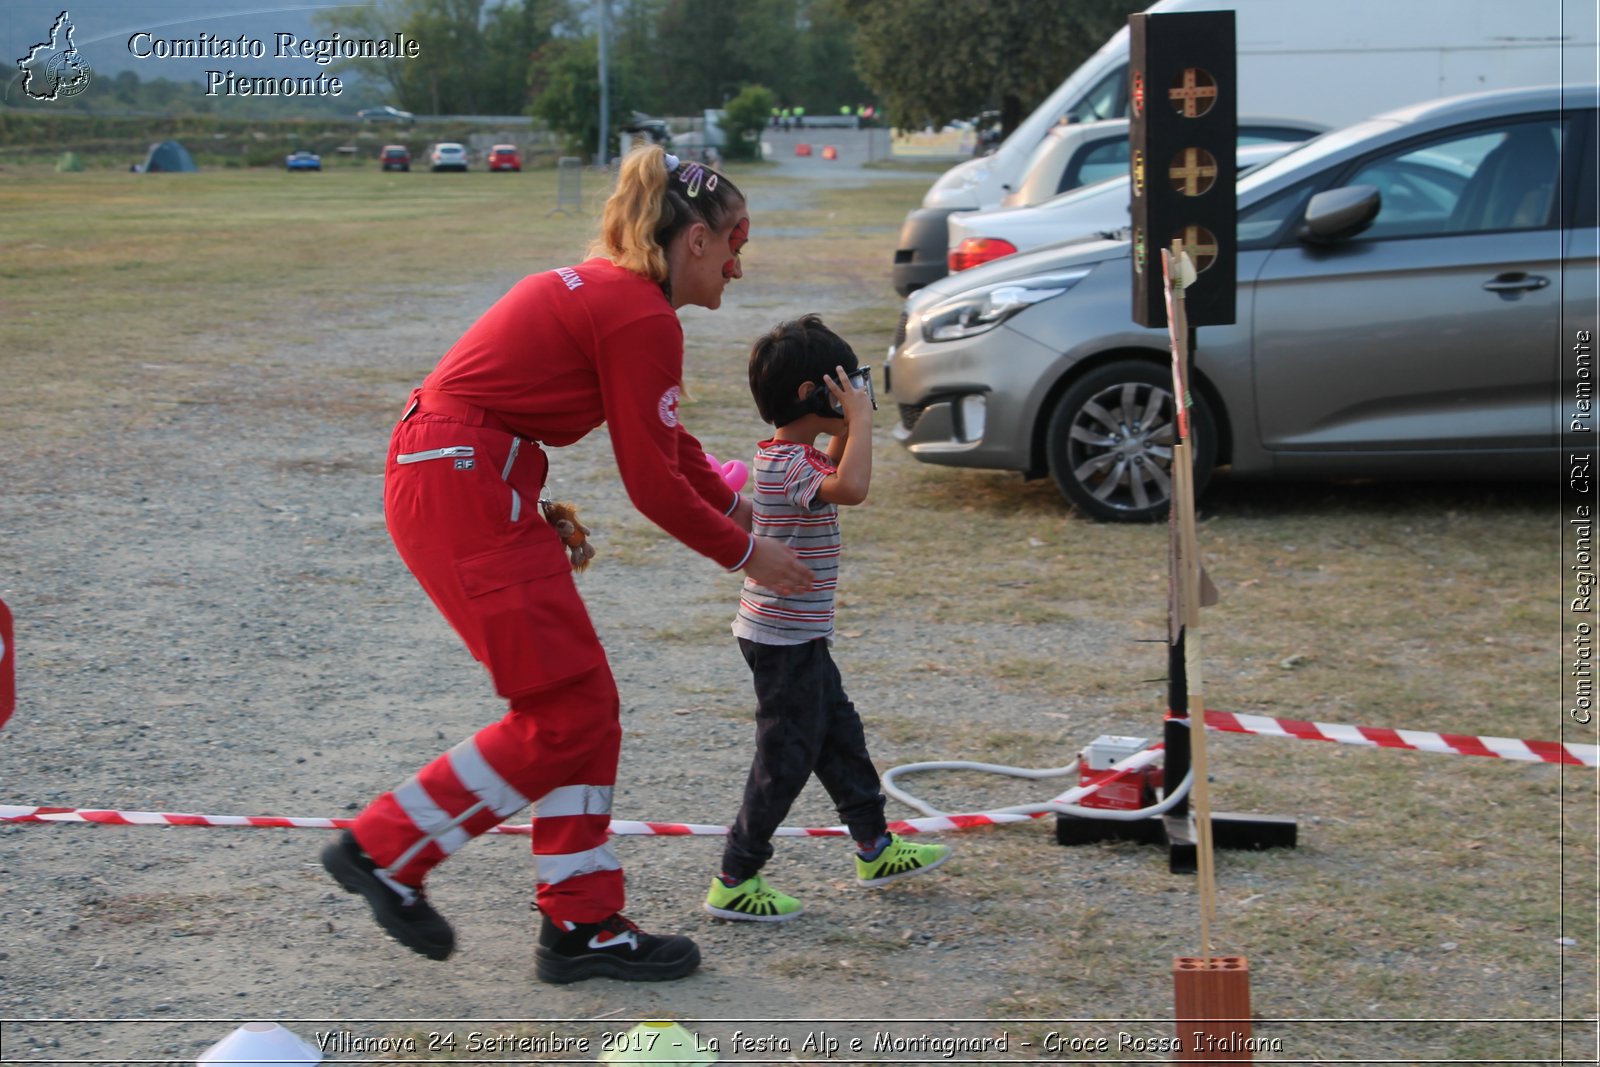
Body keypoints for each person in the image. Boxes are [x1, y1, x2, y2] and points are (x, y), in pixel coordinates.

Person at [320, 144, 815, 983]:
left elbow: (666, 442)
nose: (739, 262)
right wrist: (748, 553)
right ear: (693, 239)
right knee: (563, 713)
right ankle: (383, 848)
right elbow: (652, 484)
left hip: (466, 477)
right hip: (463, 483)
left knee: (584, 706)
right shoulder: (639, 312)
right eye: (734, 239)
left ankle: (581, 922)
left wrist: (738, 509)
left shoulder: (626, 300)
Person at [704, 315, 951, 923]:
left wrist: (849, 421)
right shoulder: (786, 465)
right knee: (784, 760)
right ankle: (735, 877)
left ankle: (874, 847)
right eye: (844, 386)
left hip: (798, 636)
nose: (856, 394)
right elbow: (855, 486)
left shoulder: (798, 456)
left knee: (840, 738)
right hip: (781, 640)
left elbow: (838, 470)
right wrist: (862, 418)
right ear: (808, 397)